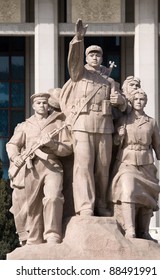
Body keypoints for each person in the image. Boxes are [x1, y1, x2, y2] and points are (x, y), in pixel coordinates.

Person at [59, 19, 127, 217]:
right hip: (82, 124)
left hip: (104, 125)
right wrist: (78, 39)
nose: (95, 57)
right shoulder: (79, 74)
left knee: (103, 167)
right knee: (84, 165)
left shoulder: (109, 80)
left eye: (98, 54)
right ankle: (85, 206)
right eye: (91, 54)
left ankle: (101, 203)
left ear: (102, 58)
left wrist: (119, 100)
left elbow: (121, 105)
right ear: (86, 58)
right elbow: (73, 61)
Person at [6, 92, 72, 245]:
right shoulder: (26, 125)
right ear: (33, 106)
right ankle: (34, 237)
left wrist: (53, 145)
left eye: (45, 103)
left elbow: (68, 148)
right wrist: (16, 157)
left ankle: (53, 234)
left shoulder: (58, 123)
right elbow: (12, 144)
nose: (42, 106)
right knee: (33, 203)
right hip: (32, 168)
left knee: (53, 197)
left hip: (52, 165)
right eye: (39, 103)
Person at [109, 88, 160, 240]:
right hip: (127, 162)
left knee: (147, 197)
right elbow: (114, 145)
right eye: (136, 99)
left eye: (142, 99)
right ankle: (130, 229)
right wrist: (119, 136)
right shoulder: (123, 120)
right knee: (127, 192)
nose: (139, 102)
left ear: (145, 102)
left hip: (146, 163)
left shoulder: (151, 122)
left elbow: (158, 143)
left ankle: (144, 231)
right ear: (131, 101)